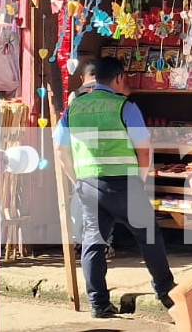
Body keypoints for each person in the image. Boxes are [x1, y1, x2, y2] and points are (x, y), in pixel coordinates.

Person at [54, 56, 175, 318]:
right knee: (149, 236)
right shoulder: (125, 106)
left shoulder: (73, 108)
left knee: (93, 243)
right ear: (118, 78)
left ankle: (98, 304)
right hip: (123, 183)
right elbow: (144, 152)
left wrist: (78, 180)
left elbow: (60, 151)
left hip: (88, 184)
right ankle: (165, 289)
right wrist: (140, 181)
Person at [67, 60, 115, 260]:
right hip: (106, 155)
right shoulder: (111, 95)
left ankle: (79, 242)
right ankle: (104, 243)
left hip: (80, 156)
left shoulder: (75, 96)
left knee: (79, 199)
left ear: (82, 77)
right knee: (105, 202)